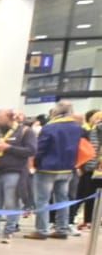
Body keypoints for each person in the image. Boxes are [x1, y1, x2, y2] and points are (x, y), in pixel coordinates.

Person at [30, 101, 84, 239]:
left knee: (42, 200)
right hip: (67, 167)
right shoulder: (76, 127)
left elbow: (41, 148)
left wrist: (35, 163)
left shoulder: (50, 127)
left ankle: (42, 230)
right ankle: (62, 228)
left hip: (47, 168)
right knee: (62, 199)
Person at [0, 109, 36, 241]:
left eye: (1, 120)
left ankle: (9, 230)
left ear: (11, 119)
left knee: (11, 202)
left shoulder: (25, 132)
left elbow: (31, 150)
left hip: (14, 171)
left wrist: (9, 148)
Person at [80, 109, 102, 229]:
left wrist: (89, 166)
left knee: (90, 195)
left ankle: (89, 220)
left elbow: (93, 149)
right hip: (97, 166)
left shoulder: (96, 129)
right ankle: (93, 220)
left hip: (95, 168)